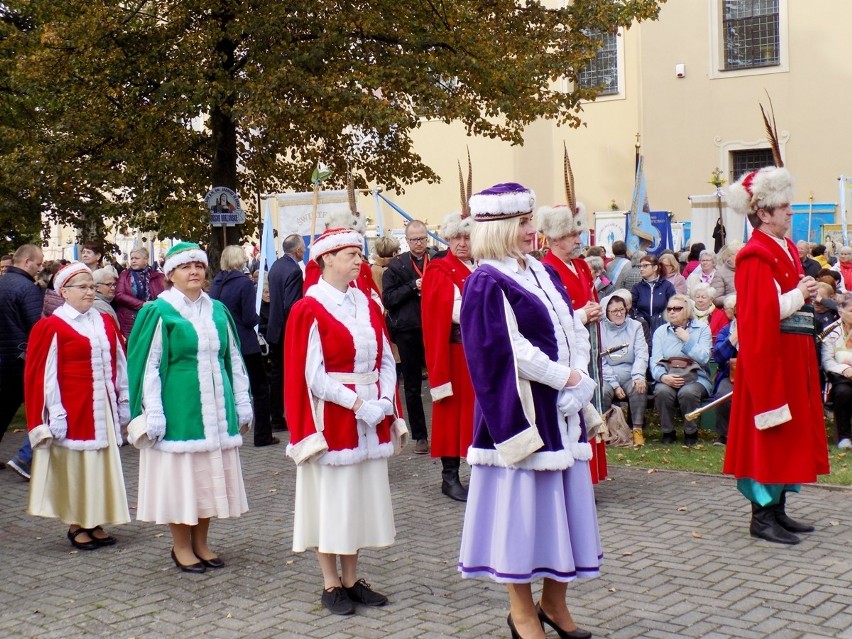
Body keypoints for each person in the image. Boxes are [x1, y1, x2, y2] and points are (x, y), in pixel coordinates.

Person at [458, 183, 601, 639]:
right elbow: (507, 349)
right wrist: (566, 379)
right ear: (499, 227)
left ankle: (554, 605)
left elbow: (570, 325)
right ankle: (522, 614)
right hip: (522, 412)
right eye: (521, 223)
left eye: (528, 220)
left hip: (562, 410)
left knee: (566, 511)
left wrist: (578, 373)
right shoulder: (485, 280)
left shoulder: (540, 269)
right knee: (522, 518)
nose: (529, 230)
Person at [284, 227, 407, 616]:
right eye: (351, 254)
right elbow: (312, 374)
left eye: (359, 253)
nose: (359, 259)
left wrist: (385, 400)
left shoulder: (367, 303)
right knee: (331, 502)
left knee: (356, 503)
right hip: (333, 420)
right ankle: (330, 583)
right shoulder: (310, 307)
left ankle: (352, 579)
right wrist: (357, 404)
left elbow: (386, 357)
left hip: (371, 416)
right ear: (327, 260)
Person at [127, 242, 253, 572]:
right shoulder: (159, 311)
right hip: (180, 405)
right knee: (184, 479)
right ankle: (181, 545)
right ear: (170, 274)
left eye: (198, 265)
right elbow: (149, 365)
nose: (194, 271)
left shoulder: (217, 310)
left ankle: (202, 542)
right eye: (186, 267)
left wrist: (242, 401)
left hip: (216, 403)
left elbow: (233, 359)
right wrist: (153, 410)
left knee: (208, 476)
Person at [723, 165, 829, 545]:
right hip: (771, 360)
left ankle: (779, 510)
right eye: (784, 206)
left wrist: (807, 293)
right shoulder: (754, 255)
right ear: (763, 212)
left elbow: (788, 300)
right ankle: (761, 517)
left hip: (792, 354)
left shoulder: (783, 247)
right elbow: (759, 314)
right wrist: (801, 294)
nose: (791, 212)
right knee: (768, 435)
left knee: (787, 434)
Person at [24, 263, 130, 550]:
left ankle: (94, 521)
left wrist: (123, 399)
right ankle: (75, 524)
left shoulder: (105, 321)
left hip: (102, 406)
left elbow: (119, 361)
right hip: (71, 408)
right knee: (75, 467)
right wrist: (52, 413)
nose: (89, 292)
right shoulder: (51, 326)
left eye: (92, 287)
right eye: (82, 287)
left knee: (99, 466)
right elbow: (42, 374)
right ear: (65, 292)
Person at [537, 199, 608, 485]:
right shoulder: (546, 267)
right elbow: (551, 314)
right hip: (565, 349)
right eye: (571, 234)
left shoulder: (580, 264)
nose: (578, 239)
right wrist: (580, 314)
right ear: (555, 237)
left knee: (592, 403)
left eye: (577, 233)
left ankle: (593, 473)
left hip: (588, 342)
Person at [421, 212, 475, 502]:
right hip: (455, 353)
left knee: (478, 413)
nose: (462, 243)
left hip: (481, 353)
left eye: (467, 237)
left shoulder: (482, 267)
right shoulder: (440, 269)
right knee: (452, 412)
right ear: (448, 238)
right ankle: (450, 477)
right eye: (457, 237)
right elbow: (448, 312)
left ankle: (480, 471)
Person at [211, 246, 278, 447]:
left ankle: (226, 433)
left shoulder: (216, 282)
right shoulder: (244, 283)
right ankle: (263, 435)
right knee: (260, 389)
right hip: (245, 343)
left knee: (227, 387)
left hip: (222, 340)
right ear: (241, 260)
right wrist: (257, 319)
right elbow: (249, 317)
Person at [383, 220, 431, 454]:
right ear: (407, 240)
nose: (419, 243)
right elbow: (388, 299)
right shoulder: (396, 266)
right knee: (412, 386)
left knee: (443, 381)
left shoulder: (437, 261)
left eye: (422, 238)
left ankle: (446, 431)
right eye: (414, 240)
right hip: (408, 331)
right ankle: (420, 436)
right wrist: (413, 285)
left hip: (434, 329)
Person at [1, 244, 44, 479]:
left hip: (4, 357)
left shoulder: (2, 282)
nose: (39, 268)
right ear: (27, 262)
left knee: (4, 409)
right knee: (41, 408)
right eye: (38, 264)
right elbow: (36, 327)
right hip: (22, 359)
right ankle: (25, 459)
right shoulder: (27, 288)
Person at [651, 293, 712, 446]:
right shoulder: (660, 332)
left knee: (688, 392)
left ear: (687, 310)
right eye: (669, 308)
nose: (672, 311)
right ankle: (668, 431)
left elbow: (704, 358)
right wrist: (663, 377)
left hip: (697, 377)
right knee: (662, 391)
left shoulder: (702, 329)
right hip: (669, 375)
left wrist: (687, 339)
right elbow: (655, 361)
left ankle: (690, 432)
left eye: (677, 308)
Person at [267, 234, 306, 432]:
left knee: (276, 374)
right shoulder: (294, 271)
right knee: (286, 374)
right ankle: (284, 415)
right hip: (285, 330)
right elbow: (291, 305)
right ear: (298, 250)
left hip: (274, 328)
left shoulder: (276, 266)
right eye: (303, 248)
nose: (304, 251)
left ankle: (275, 415)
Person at [600, 292, 649, 446]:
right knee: (602, 391)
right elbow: (600, 359)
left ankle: (637, 429)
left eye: (621, 309)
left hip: (630, 372)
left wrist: (638, 375)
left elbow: (641, 353)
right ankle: (605, 430)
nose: (619, 313)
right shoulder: (599, 328)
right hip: (608, 374)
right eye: (614, 311)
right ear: (606, 312)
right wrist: (614, 384)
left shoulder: (636, 326)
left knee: (639, 387)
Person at [821, 292, 852, 449]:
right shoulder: (830, 331)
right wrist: (845, 369)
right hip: (840, 378)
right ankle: (844, 437)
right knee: (844, 393)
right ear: (840, 311)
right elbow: (827, 360)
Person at [114, 247, 166, 337]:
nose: (133, 261)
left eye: (136, 258)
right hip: (130, 320)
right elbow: (119, 295)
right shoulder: (124, 275)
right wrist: (142, 304)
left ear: (146, 260)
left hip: (152, 317)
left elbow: (164, 296)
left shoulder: (158, 276)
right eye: (132, 258)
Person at [712, 295, 738, 446]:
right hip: (730, 374)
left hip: (756, 375)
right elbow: (719, 356)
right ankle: (724, 435)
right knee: (723, 394)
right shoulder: (726, 330)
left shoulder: (759, 327)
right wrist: (735, 337)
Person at [631, 254, 676, 341]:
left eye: (645, 266)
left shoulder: (667, 286)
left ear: (655, 268)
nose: (641, 269)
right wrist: (639, 317)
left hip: (663, 327)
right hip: (643, 328)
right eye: (640, 266)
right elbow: (631, 307)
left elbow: (674, 305)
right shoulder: (637, 287)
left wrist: (665, 318)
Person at [710, 242, 743, 308]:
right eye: (738, 254)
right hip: (730, 312)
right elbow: (715, 299)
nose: (741, 257)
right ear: (729, 256)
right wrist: (734, 298)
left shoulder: (748, 270)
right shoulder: (720, 273)